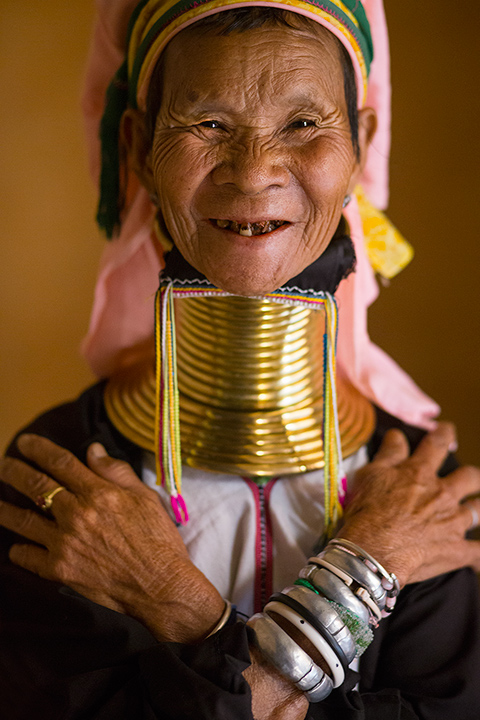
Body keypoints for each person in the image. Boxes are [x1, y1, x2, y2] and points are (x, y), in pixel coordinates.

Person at [0, 1, 480, 718]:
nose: (254, 174)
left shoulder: (414, 488)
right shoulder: (64, 476)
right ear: (136, 147)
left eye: (305, 122)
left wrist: (185, 617)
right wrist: (364, 574)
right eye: (208, 124)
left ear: (362, 141)